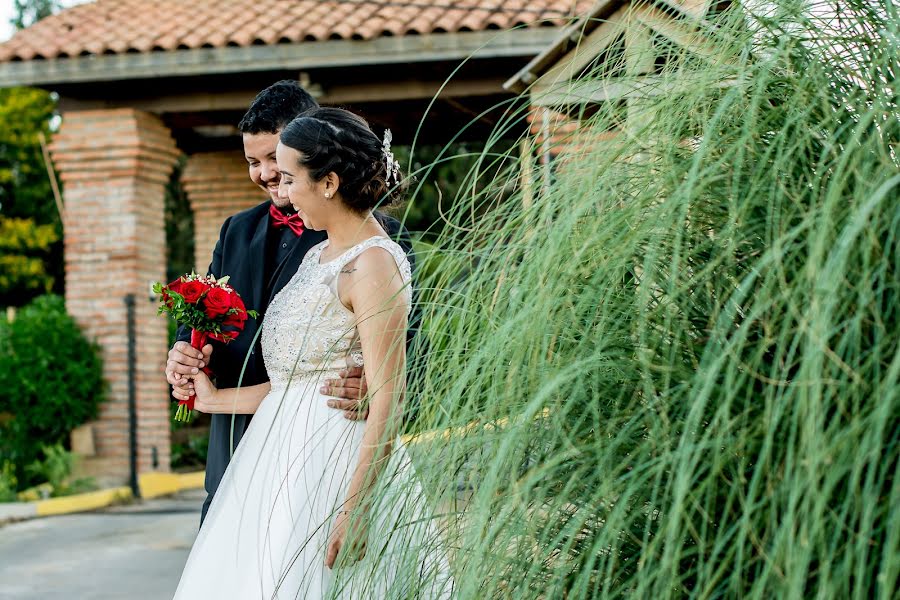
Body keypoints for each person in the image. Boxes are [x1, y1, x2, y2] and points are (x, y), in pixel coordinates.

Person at [174, 107, 451, 598]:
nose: (281, 189)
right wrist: (212, 399)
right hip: (270, 468)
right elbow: (295, 388)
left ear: (327, 183)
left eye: (289, 177)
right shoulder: (315, 255)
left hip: (333, 469)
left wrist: (357, 506)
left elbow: (389, 397)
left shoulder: (374, 263)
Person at [164, 80, 413, 523]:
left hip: (325, 441)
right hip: (237, 438)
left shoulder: (377, 242)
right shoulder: (234, 231)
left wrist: (372, 386)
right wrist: (184, 355)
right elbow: (203, 313)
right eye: (252, 162)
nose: (266, 173)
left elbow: (410, 345)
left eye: (274, 157)